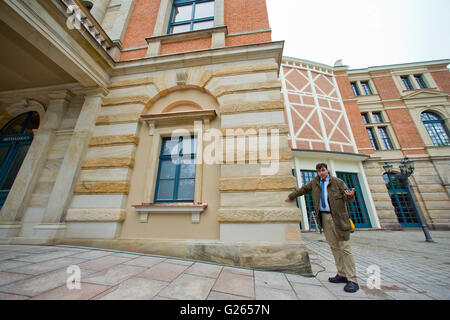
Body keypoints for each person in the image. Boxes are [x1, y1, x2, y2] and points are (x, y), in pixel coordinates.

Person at [285, 163, 359, 293]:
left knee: (344, 248)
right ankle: (341, 274)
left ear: (327, 170)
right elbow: (303, 189)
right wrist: (291, 196)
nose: (321, 173)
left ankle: (352, 280)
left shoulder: (338, 182)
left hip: (338, 219)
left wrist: (350, 195)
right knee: (334, 246)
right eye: (319, 171)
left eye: (323, 170)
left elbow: (348, 198)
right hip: (324, 218)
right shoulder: (315, 182)